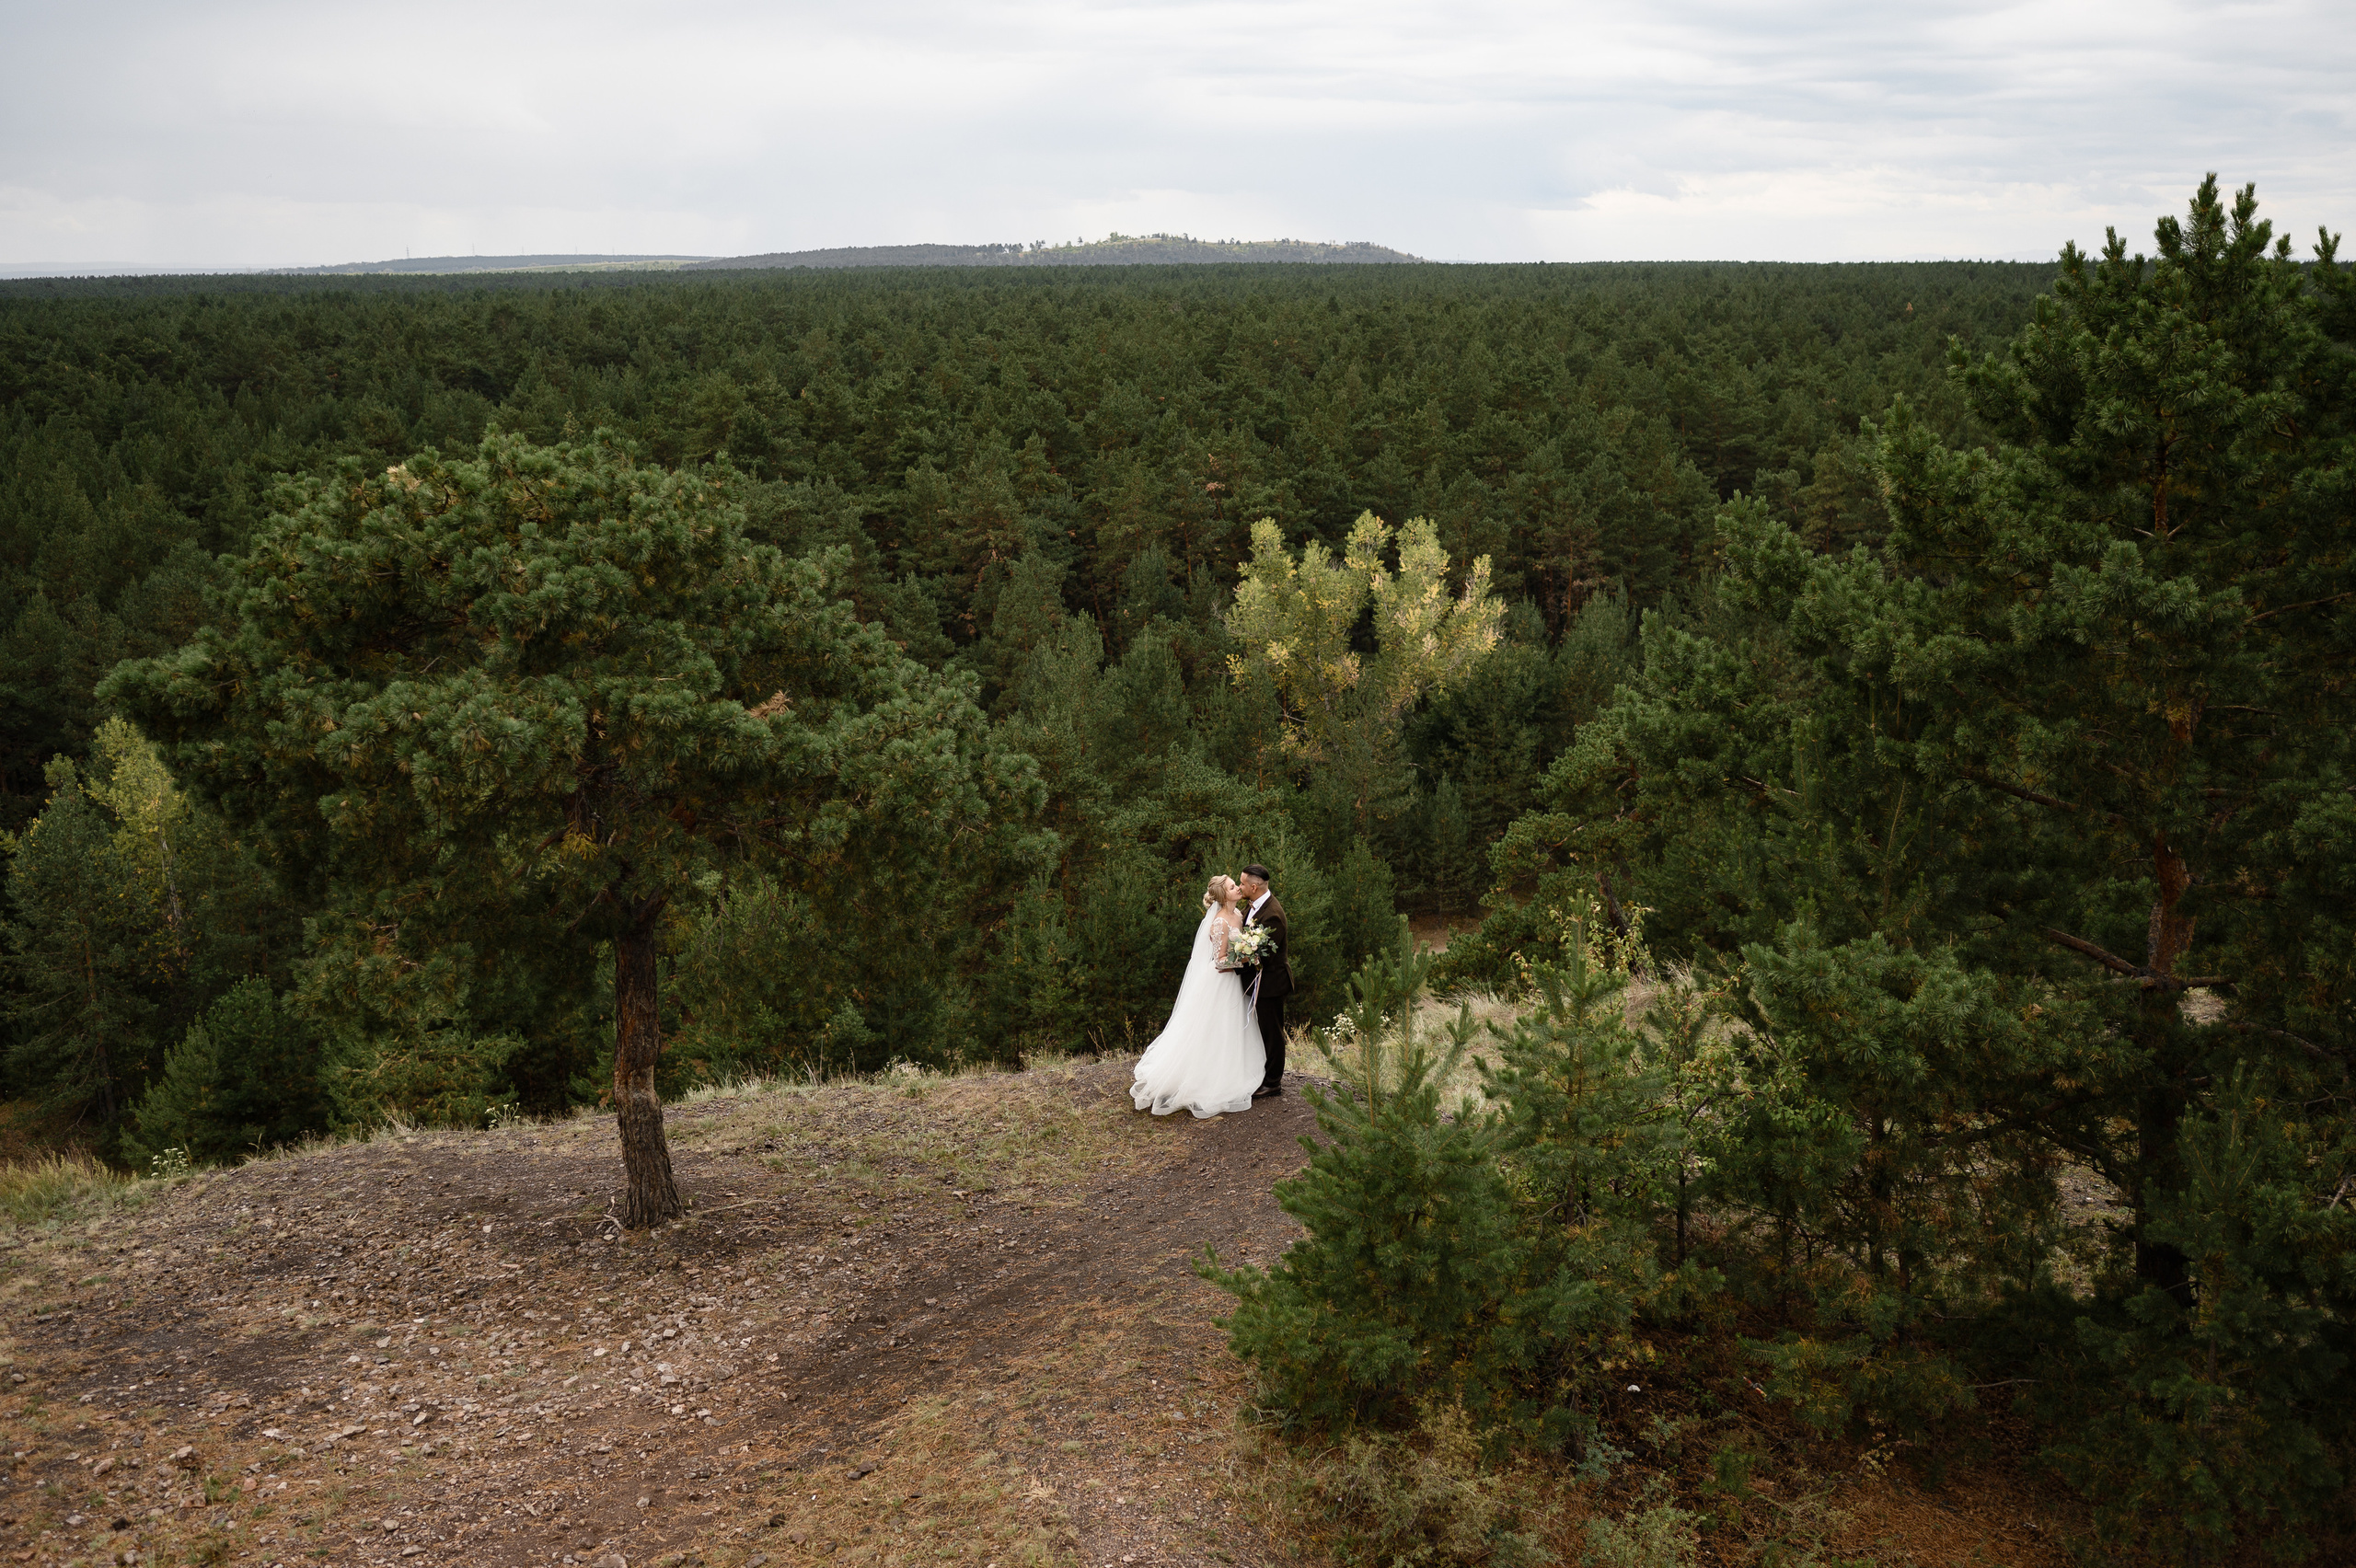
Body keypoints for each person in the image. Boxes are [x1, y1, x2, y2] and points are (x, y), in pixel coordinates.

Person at [1129, 875, 1267, 1118]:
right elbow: (1220, 960)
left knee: (1230, 1029)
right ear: (1224, 896)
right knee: (1211, 1028)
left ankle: (1230, 1068)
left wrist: (1250, 950)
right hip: (1219, 982)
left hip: (1234, 982)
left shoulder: (1238, 916)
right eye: (1233, 887)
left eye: (1237, 884)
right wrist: (1247, 958)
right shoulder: (1220, 922)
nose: (1238, 889)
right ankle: (1203, 1077)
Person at [1235, 863, 1292, 1099]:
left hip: (1270, 983)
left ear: (1254, 887)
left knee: (1272, 1032)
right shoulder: (1256, 906)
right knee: (1263, 1031)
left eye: (1242, 884)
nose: (1240, 887)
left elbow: (1262, 956)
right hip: (1259, 980)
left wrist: (1232, 965)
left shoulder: (1272, 915)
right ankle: (1263, 1075)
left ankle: (1272, 1083)